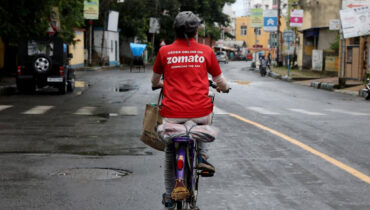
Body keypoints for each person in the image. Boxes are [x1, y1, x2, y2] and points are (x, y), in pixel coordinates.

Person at [151, 11, 230, 209]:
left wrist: (161, 83)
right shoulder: (206, 51)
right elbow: (220, 81)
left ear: (174, 30)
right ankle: (202, 156)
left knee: (170, 150)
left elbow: (154, 81)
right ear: (196, 30)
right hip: (200, 113)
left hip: (172, 115)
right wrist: (224, 88)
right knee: (205, 119)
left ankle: (170, 195)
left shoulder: (164, 52)